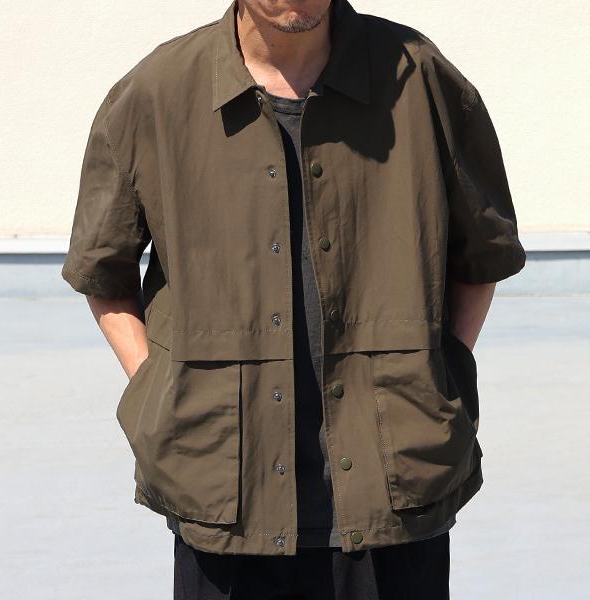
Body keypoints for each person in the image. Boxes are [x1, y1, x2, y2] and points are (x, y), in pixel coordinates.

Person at [62, 0, 526, 597]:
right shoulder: (156, 93)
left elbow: (481, 257)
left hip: (396, 492)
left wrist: (440, 374)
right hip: (222, 497)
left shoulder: (420, 78)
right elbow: (104, 272)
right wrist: (160, 387)